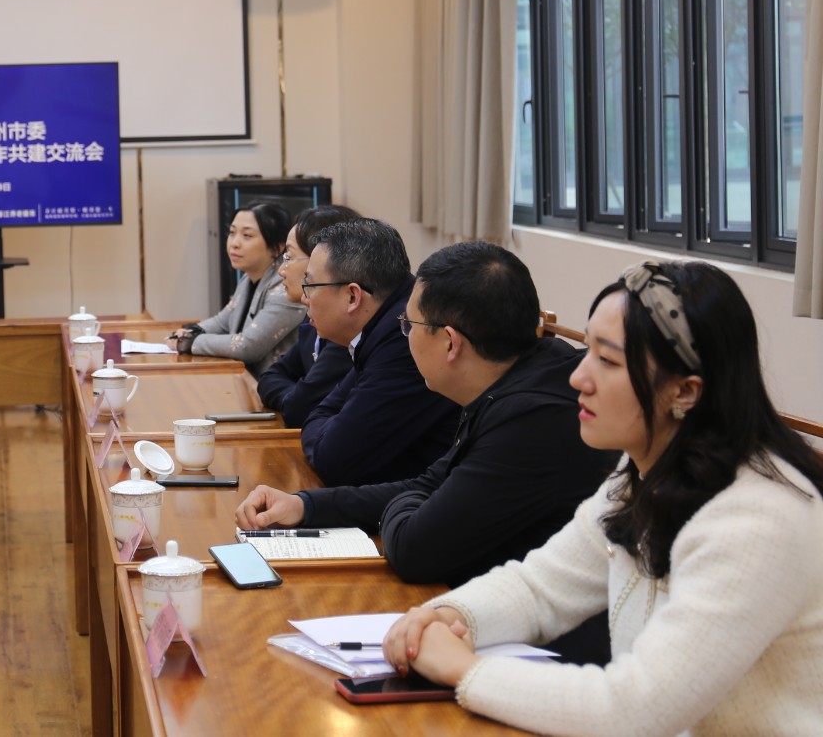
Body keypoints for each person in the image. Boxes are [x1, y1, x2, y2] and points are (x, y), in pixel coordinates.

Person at [383, 261, 823, 736]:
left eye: (608, 362)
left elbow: (635, 710)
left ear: (685, 392)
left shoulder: (758, 522)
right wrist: (445, 616)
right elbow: (539, 588)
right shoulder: (643, 472)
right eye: (587, 350)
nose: (578, 377)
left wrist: (463, 670)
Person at [237, 241, 616, 588]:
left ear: (450, 342)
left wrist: (416, 502)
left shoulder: (531, 419)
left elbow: (414, 550)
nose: (404, 336)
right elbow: (429, 483)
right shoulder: (513, 377)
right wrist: (306, 505)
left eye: (408, 325)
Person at [296, 218, 457, 485]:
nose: (304, 298)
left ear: (352, 296)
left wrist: (323, 431)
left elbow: (333, 459)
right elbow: (319, 412)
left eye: (310, 286)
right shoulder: (382, 326)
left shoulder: (405, 337)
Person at [253, 204, 361, 426]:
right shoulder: (313, 313)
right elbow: (270, 376)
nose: (281, 270)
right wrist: (295, 395)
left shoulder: (346, 328)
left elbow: (299, 408)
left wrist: (296, 398)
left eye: (289, 257)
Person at [168, 200, 301, 378]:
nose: (234, 243)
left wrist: (192, 343)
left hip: (273, 387)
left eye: (247, 235)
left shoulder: (286, 286)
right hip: (244, 379)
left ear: (277, 247)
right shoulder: (248, 277)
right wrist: (193, 331)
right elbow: (223, 322)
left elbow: (248, 346)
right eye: (232, 233)